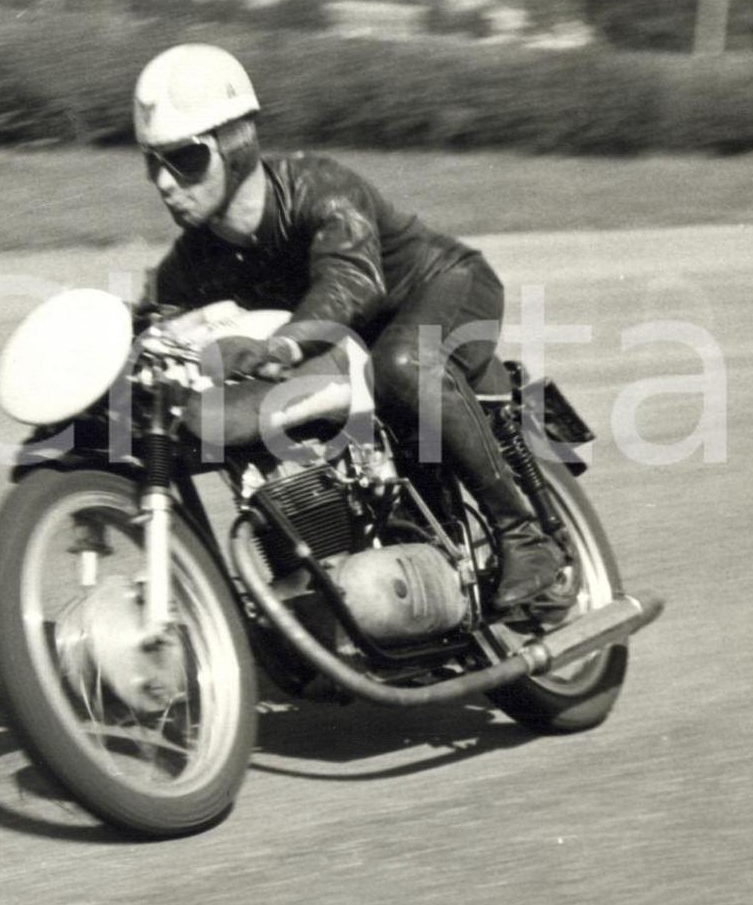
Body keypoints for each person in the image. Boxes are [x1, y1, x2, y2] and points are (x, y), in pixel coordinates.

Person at [132, 43, 561, 611]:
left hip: (444, 289)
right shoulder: (198, 255)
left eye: (184, 159)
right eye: (152, 163)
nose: (164, 183)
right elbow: (150, 320)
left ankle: (523, 536)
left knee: (402, 364)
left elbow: (353, 281)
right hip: (350, 341)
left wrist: (279, 345)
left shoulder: (320, 187)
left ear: (236, 145)